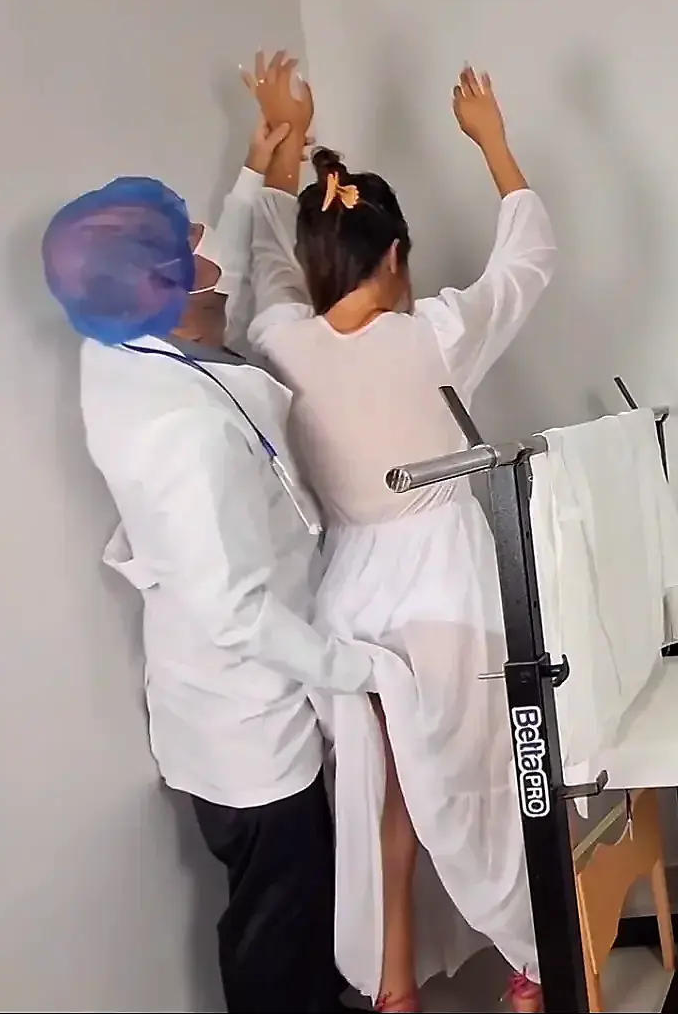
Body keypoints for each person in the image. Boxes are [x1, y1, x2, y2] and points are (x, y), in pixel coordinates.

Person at [50, 116, 391, 1012]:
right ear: (163, 295)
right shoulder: (180, 432)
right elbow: (235, 612)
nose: (214, 265)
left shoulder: (121, 339)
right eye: (191, 260)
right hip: (245, 723)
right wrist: (363, 670)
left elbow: (217, 277)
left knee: (303, 909)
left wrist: (256, 169)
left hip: (247, 690)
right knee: (279, 926)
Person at [240, 55, 553, 1013]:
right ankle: (533, 964)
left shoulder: (279, 338)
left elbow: (264, 257)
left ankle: (393, 989)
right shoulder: (434, 336)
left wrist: (282, 147)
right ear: (394, 258)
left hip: (348, 599)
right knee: (485, 783)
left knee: (387, 793)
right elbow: (528, 264)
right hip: (445, 594)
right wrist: (494, 143)